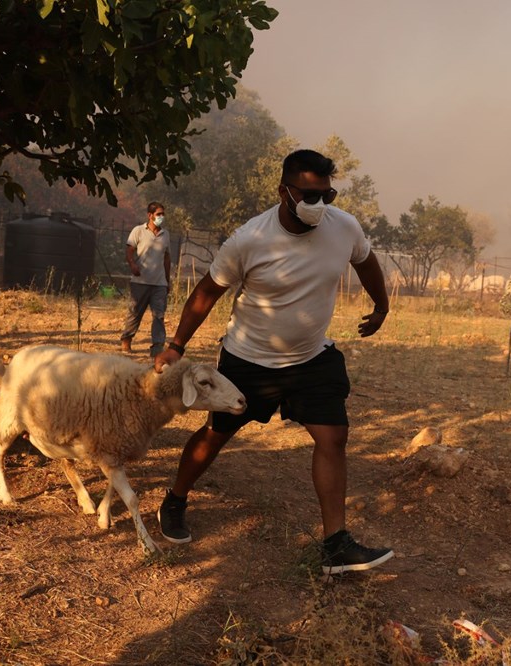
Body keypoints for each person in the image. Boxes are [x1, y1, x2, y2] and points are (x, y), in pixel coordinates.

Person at [153, 149, 394, 575]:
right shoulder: (250, 239)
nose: (318, 204)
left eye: (327, 194)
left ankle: (336, 544)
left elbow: (366, 262)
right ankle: (175, 499)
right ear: (283, 190)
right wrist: (176, 344)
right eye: (308, 194)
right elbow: (207, 292)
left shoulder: (344, 227)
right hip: (249, 359)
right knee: (214, 436)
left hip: (311, 358)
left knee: (333, 437)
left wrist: (381, 306)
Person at [120, 202, 171, 356]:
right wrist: (132, 264)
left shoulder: (166, 235)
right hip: (140, 281)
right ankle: (126, 339)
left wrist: (167, 280)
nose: (161, 217)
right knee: (135, 312)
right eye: (158, 214)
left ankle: (157, 349)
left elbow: (167, 258)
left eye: (163, 214)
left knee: (159, 316)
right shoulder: (138, 231)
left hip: (159, 283)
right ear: (150, 215)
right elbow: (129, 251)